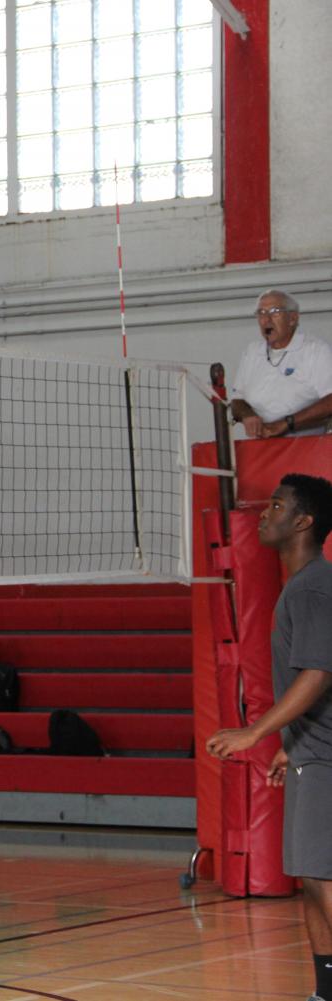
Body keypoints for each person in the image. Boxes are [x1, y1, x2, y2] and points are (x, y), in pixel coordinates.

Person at [207, 473, 332, 1001]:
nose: (264, 513)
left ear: (302, 522)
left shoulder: (313, 587)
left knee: (326, 883)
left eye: (277, 505)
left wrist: (255, 732)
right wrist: (288, 744)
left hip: (327, 762)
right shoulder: (301, 586)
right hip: (311, 754)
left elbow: (318, 673)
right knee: (312, 881)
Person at [229, 290, 332, 438]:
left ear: (292, 318)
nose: (267, 320)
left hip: (308, 447)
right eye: (261, 313)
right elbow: (237, 401)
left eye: (275, 312)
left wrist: (286, 423)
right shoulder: (252, 352)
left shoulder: (315, 350)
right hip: (263, 446)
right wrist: (247, 415)